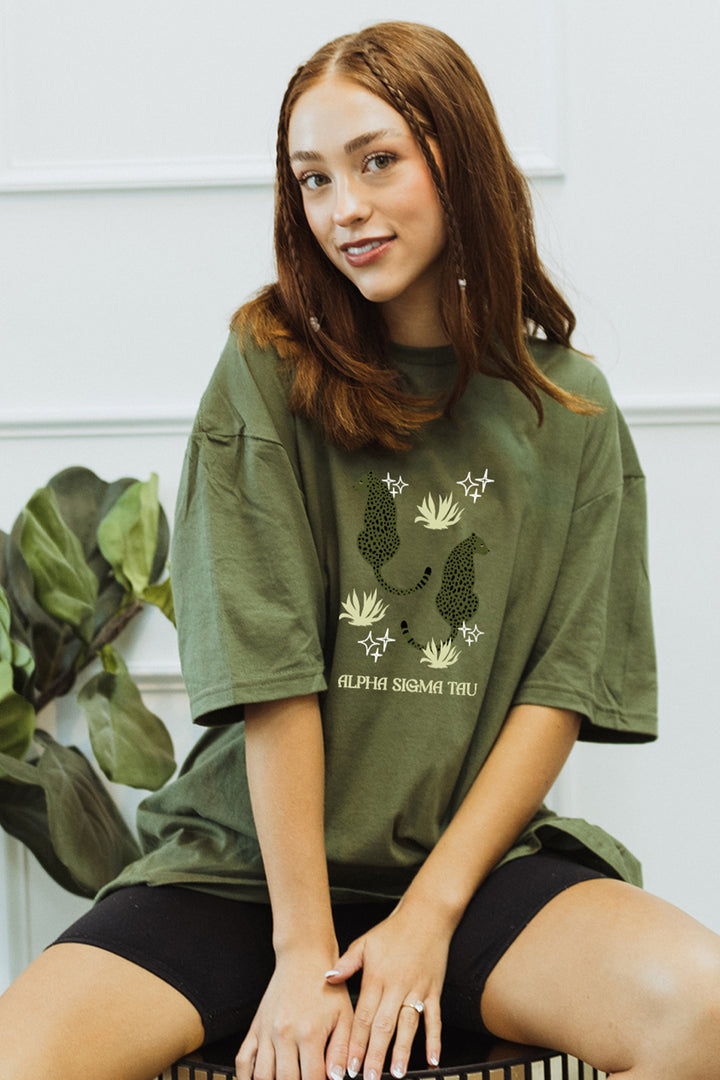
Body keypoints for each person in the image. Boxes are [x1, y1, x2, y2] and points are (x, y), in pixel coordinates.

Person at [2, 20, 720, 1080]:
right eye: (314, 179)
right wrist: (303, 951)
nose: (344, 208)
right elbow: (272, 673)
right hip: (246, 872)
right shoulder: (265, 369)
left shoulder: (570, 410)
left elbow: (560, 689)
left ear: (458, 158)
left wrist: (430, 914)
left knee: (700, 1010)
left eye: (377, 161)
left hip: (473, 874)